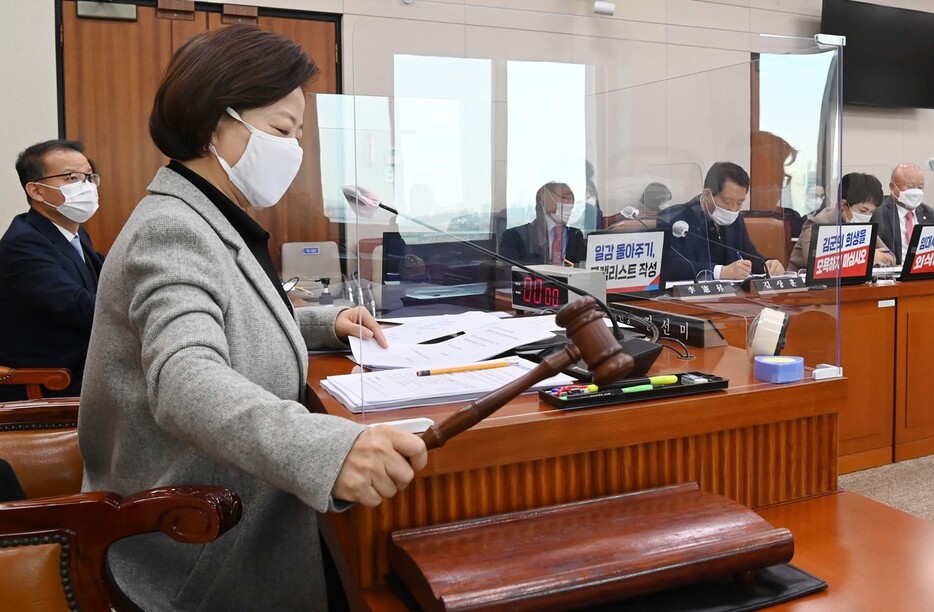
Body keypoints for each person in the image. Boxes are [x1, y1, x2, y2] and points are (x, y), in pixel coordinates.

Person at [77, 26, 427, 611]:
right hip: (195, 559)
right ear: (217, 120)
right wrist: (328, 451)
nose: (293, 149)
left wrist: (325, 321)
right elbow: (186, 379)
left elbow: (229, 310)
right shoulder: (173, 229)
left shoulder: (202, 213)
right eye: (280, 130)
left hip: (236, 524)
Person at [0, 139, 103, 401]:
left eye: (89, 177)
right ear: (36, 191)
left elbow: (113, 279)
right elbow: (77, 306)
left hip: (85, 369)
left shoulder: (76, 236)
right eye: (72, 177)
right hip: (50, 383)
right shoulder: (23, 243)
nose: (86, 186)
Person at [657, 162, 785, 281]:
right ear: (707, 194)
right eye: (727, 202)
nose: (733, 209)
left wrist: (767, 264)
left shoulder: (736, 220)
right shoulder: (674, 218)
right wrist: (720, 272)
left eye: (739, 203)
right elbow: (668, 266)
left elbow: (749, 256)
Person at [788, 173, 896, 272]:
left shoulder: (861, 225)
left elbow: (890, 256)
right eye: (863, 211)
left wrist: (882, 257)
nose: (867, 216)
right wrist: (868, 257)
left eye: (871, 212)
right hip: (804, 288)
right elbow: (817, 264)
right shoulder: (818, 223)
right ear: (844, 205)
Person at [499, 182, 586, 265]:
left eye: (572, 199)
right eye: (564, 197)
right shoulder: (515, 236)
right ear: (545, 198)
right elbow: (511, 274)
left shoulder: (575, 236)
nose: (569, 203)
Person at [871, 163, 934, 264]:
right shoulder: (878, 212)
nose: (916, 192)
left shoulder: (929, 213)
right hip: (892, 274)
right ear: (892, 187)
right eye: (910, 187)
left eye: (920, 187)